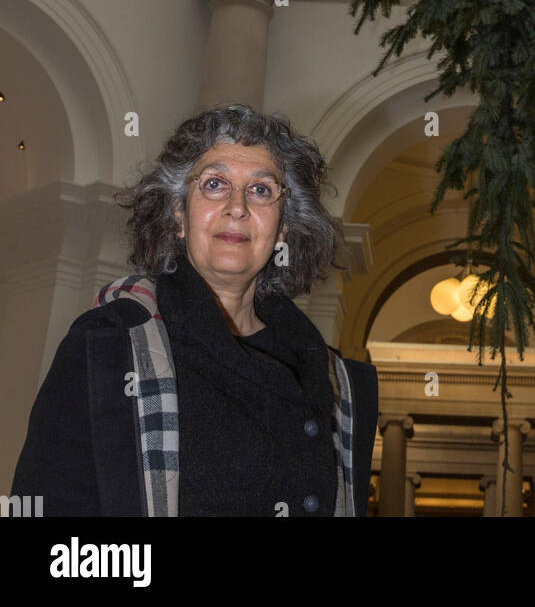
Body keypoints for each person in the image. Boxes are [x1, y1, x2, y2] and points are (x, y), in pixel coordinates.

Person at [12, 104, 378, 517]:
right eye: (215, 184)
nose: (237, 206)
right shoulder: (107, 344)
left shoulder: (333, 382)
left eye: (261, 189)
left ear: (283, 228)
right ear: (179, 214)